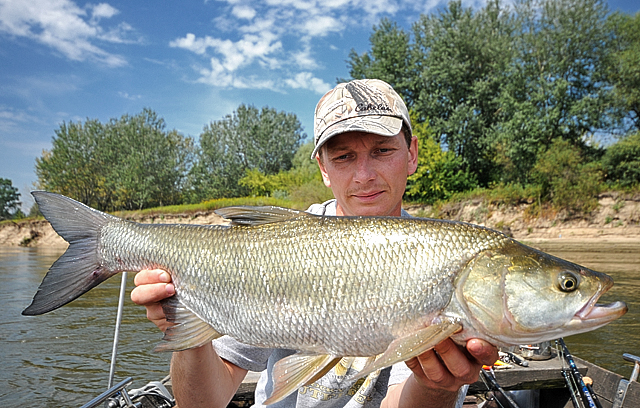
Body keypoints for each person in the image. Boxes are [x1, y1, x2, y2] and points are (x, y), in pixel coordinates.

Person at [131, 79, 498, 408]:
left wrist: (438, 388)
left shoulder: (438, 256)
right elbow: (204, 404)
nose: (364, 175)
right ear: (323, 168)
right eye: (344, 157)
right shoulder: (271, 251)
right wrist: (187, 333)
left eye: (382, 151)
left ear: (412, 153)